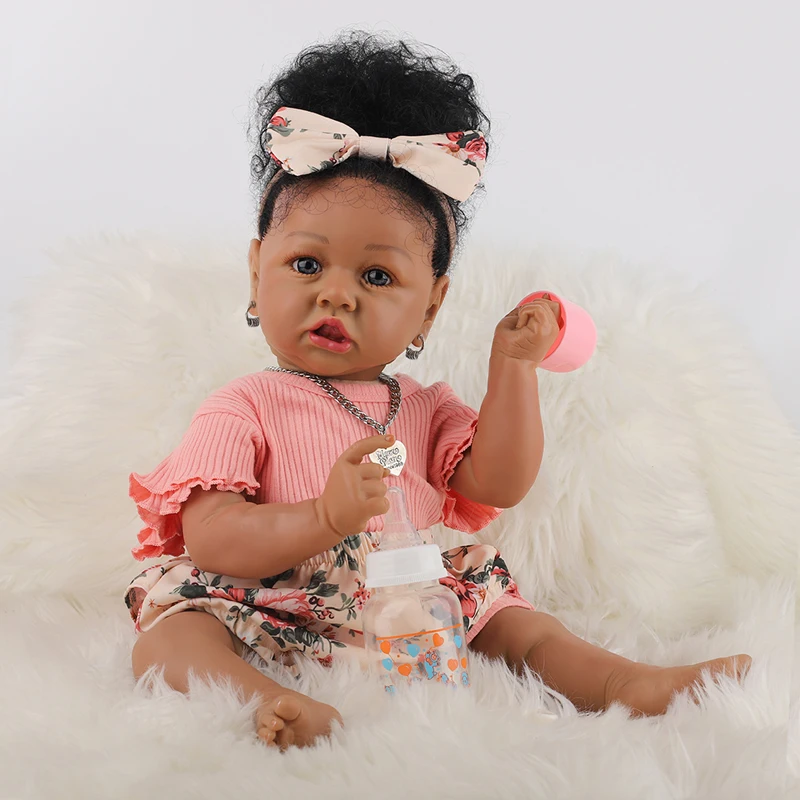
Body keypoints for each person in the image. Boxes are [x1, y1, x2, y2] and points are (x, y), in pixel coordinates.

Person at [125, 31, 750, 751]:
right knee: (171, 635)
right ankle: (272, 700)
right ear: (256, 270)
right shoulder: (244, 406)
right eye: (306, 264)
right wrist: (322, 516)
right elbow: (213, 538)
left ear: (431, 306)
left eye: (377, 276)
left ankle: (620, 683)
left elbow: (499, 481)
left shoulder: (421, 408)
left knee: (515, 622)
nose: (337, 295)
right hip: (272, 599)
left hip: (410, 601)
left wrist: (512, 368)